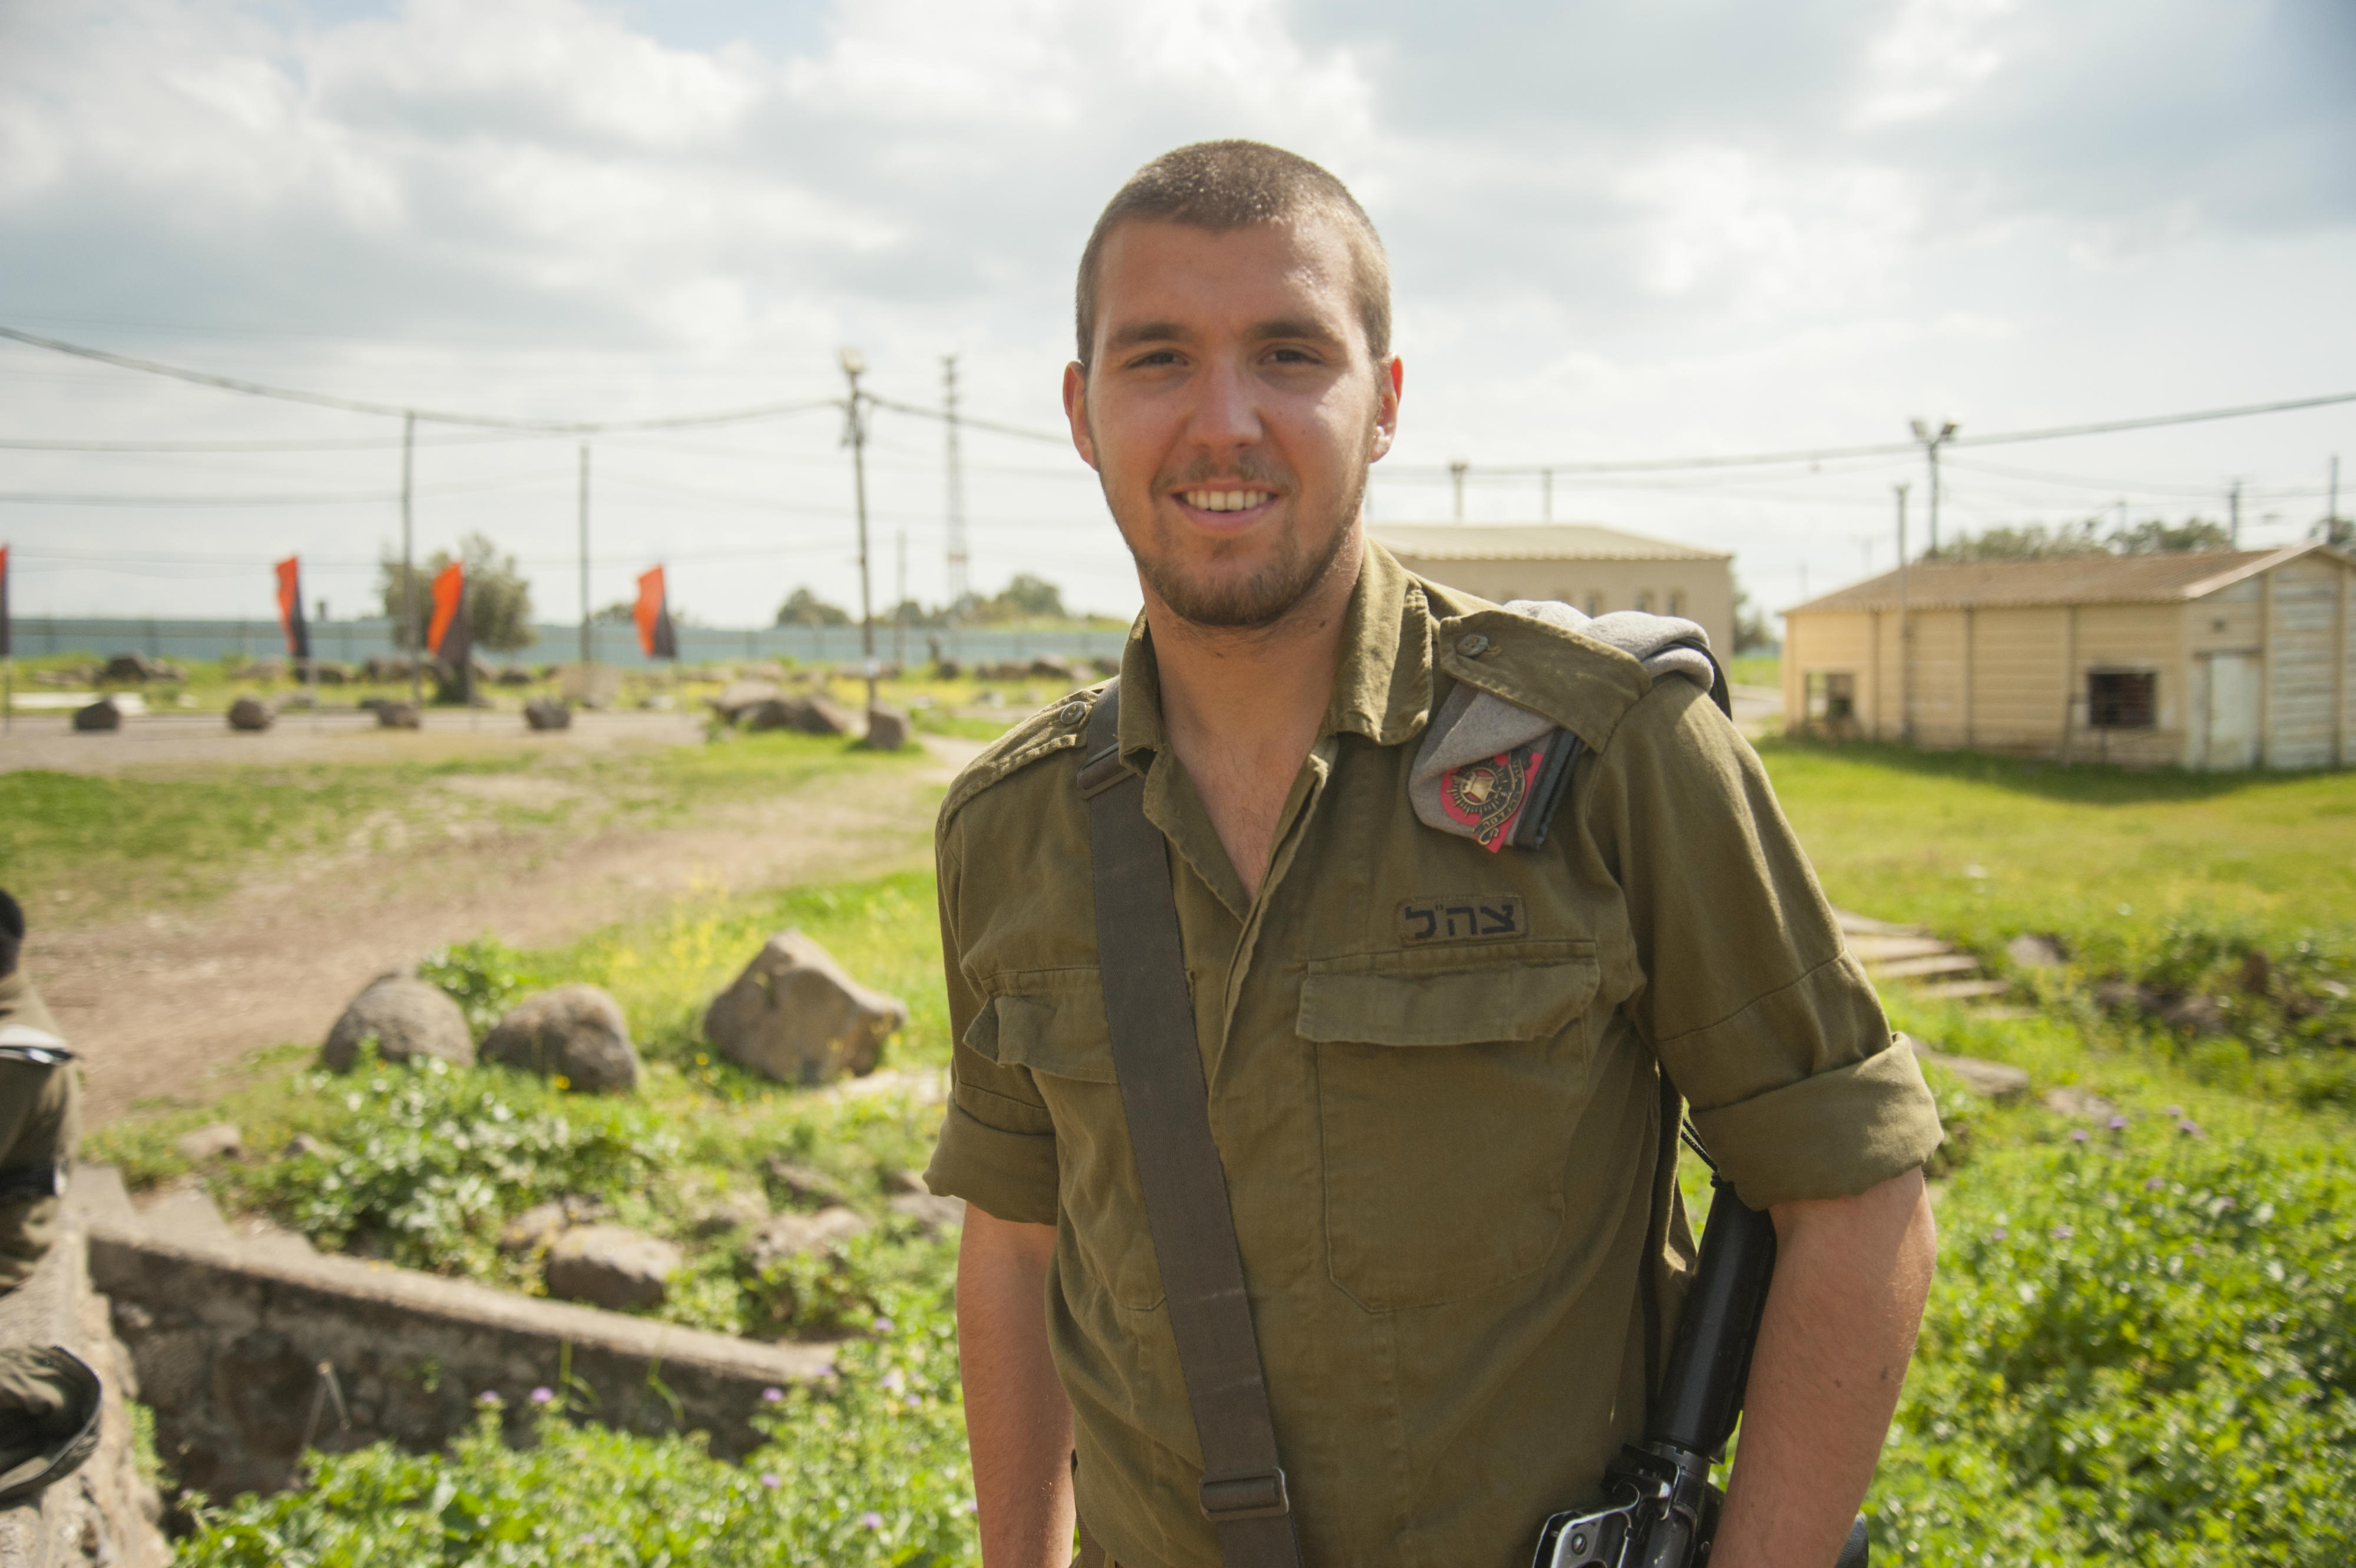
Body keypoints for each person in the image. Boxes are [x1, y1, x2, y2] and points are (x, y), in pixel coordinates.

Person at [923, 141, 1943, 1568]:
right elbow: (1018, 1243)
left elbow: (1850, 1189)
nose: (1224, 421)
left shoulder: (1607, 750)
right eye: (1157, 359)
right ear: (1081, 410)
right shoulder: (1011, 826)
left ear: (1385, 401)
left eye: (1289, 354)